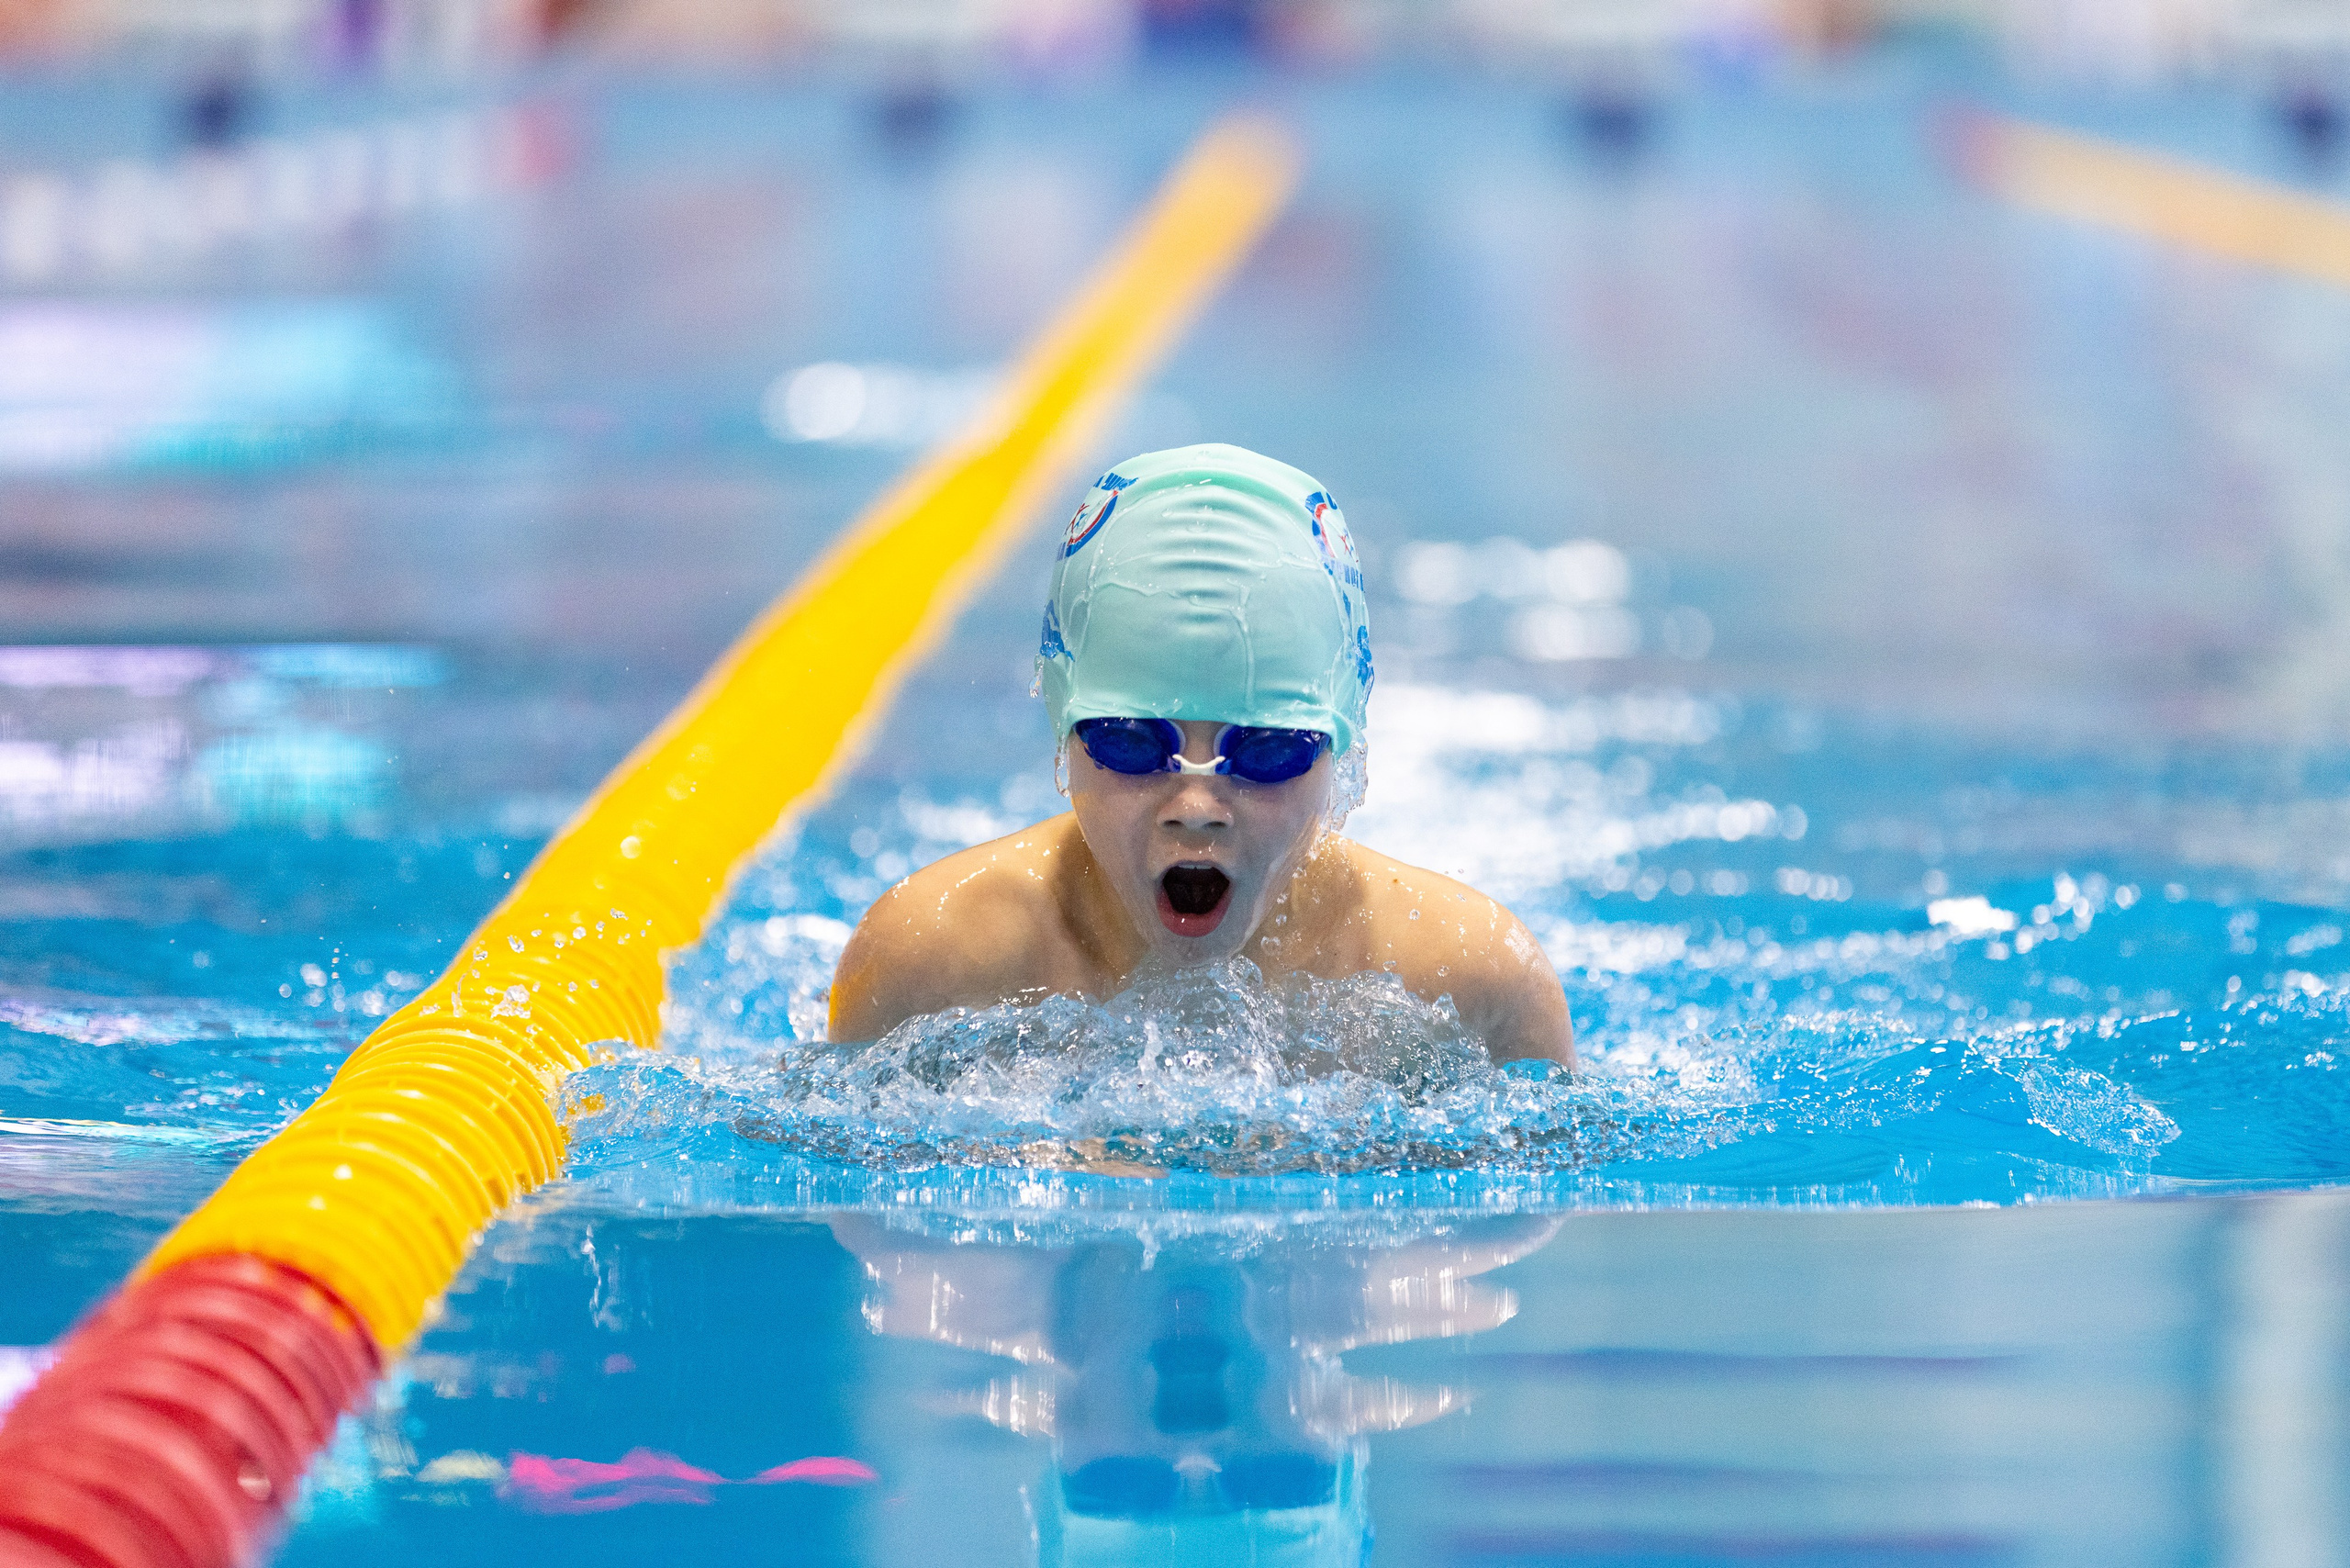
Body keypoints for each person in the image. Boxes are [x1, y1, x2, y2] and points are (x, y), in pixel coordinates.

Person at [828, 443, 1575, 1067]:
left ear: (1341, 747)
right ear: (1065, 731)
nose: (1195, 809)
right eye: (1131, 741)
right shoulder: (928, 966)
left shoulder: (1478, 992)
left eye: (1267, 750)